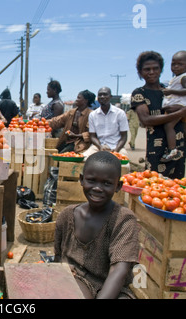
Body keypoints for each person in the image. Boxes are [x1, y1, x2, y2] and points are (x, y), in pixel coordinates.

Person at [54, 151, 140, 299]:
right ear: (82, 179)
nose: (98, 188)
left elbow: (119, 270)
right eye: (91, 180)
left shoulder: (124, 220)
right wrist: (62, 268)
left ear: (118, 186)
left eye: (107, 183)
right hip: (75, 279)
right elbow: (58, 257)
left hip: (113, 287)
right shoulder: (66, 216)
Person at [131, 51, 186, 179]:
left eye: (155, 68)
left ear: (161, 70)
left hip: (178, 147)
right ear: (140, 72)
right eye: (147, 69)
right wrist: (180, 112)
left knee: (177, 187)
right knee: (154, 186)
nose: (151, 72)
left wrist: (182, 108)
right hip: (156, 150)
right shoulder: (139, 93)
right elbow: (146, 120)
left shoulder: (171, 90)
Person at [161, 50, 186, 162]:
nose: (176, 67)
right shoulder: (177, 78)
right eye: (173, 64)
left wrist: (171, 91)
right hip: (184, 106)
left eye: (180, 64)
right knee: (185, 127)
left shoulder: (184, 78)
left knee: (168, 126)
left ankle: (172, 150)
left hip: (180, 107)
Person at [83, 87, 129, 159]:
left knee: (124, 165)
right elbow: (92, 136)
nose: (102, 97)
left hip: (116, 147)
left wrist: (116, 150)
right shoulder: (93, 115)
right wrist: (100, 147)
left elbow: (124, 137)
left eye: (105, 95)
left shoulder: (120, 113)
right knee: (84, 159)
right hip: (98, 146)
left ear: (110, 97)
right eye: (100, 95)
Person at [48, 90, 95, 154]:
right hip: (66, 141)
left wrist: (76, 135)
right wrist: (42, 123)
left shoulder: (91, 114)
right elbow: (57, 121)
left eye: (79, 98)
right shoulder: (71, 112)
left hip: (79, 144)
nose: (76, 100)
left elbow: (91, 134)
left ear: (85, 101)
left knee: (61, 155)